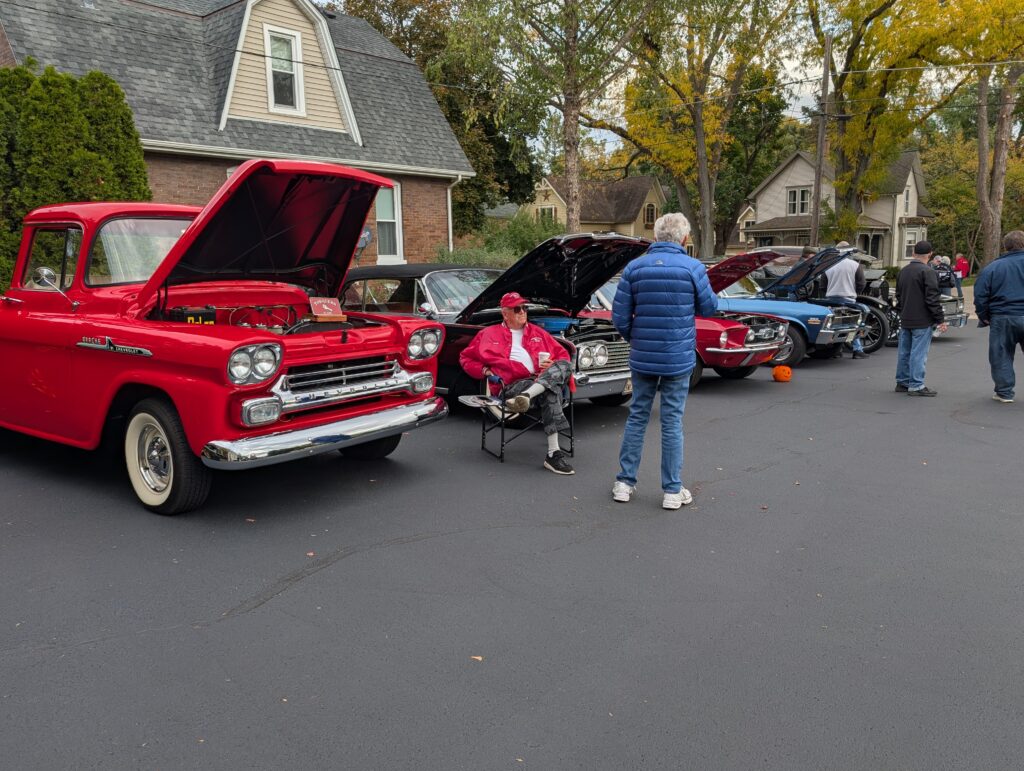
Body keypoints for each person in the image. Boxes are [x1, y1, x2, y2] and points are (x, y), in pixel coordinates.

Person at [610, 212, 718, 509]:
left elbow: (619, 317)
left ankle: (624, 482)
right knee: (671, 422)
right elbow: (709, 309)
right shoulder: (693, 267)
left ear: (655, 237)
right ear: (684, 239)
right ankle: (672, 490)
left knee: (637, 416)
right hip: (678, 358)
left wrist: (637, 338)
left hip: (643, 357)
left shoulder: (634, 268)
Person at [459, 291, 575, 474]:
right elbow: (466, 358)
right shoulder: (488, 334)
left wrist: (551, 363)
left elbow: (563, 355)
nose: (523, 312)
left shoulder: (538, 333)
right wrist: (486, 371)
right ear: (505, 313)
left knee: (564, 366)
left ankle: (529, 395)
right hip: (513, 387)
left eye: (525, 308)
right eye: (517, 309)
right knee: (551, 389)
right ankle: (553, 453)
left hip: (536, 383)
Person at [973, 230, 1024, 404]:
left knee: (1001, 354)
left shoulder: (993, 267)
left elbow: (980, 294)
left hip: (1002, 315)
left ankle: (1004, 392)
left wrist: (983, 315)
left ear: (1006, 246)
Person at [895, 241, 948, 396]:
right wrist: (940, 319)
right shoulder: (928, 272)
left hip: (906, 317)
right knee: (918, 353)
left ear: (913, 254)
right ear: (930, 254)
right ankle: (916, 384)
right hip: (922, 319)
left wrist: (902, 311)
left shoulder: (903, 271)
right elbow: (932, 298)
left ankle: (903, 381)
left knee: (904, 351)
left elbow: (899, 296)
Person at [823, 247, 869, 359]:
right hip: (849, 298)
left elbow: (822, 285)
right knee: (853, 325)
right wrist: (855, 292)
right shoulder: (854, 265)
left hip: (831, 298)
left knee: (834, 326)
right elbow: (862, 283)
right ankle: (857, 350)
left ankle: (836, 350)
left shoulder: (828, 265)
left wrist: (829, 292)